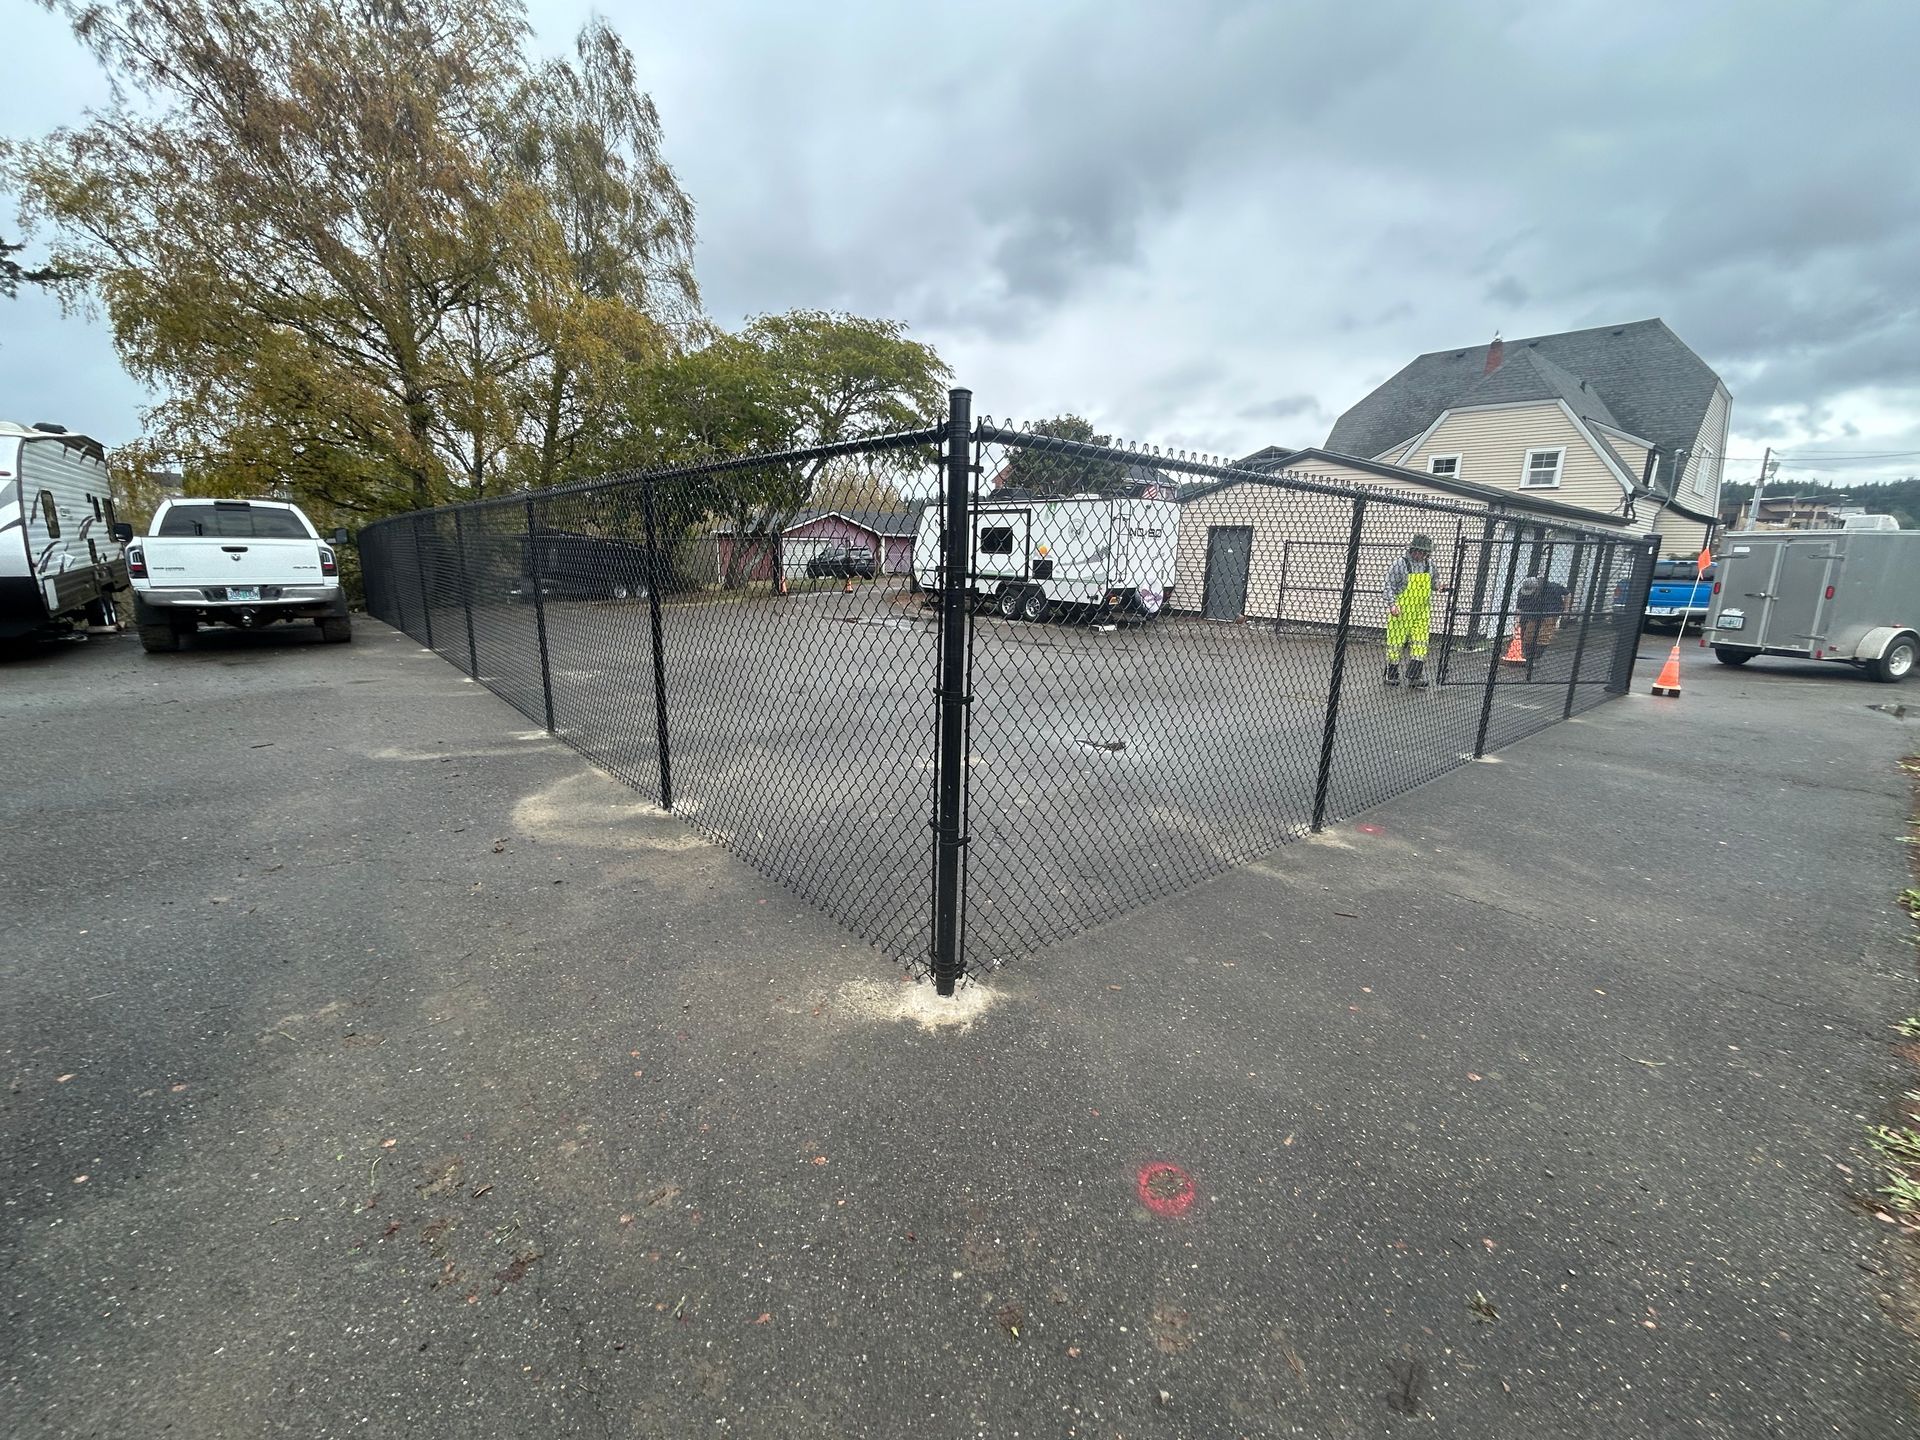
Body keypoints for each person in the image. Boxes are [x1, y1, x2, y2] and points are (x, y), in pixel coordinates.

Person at [1383, 533, 1437, 689]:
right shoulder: (1400, 564)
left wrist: (1439, 586)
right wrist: (1392, 604)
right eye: (1417, 551)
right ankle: (1391, 674)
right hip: (1401, 611)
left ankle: (1414, 675)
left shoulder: (1430, 565)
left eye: (1423, 552)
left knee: (1421, 643)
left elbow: (1433, 583)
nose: (1420, 554)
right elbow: (1389, 586)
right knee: (1395, 643)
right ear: (1412, 549)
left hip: (1421, 612)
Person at [1514, 566, 1570, 658]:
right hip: (1533, 613)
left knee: (1544, 635)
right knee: (1528, 635)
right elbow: (1519, 608)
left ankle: (1537, 655)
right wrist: (1517, 622)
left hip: (1551, 612)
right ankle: (1528, 654)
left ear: (1537, 588)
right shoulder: (1522, 592)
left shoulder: (1552, 587)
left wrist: (1566, 609)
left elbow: (1567, 593)